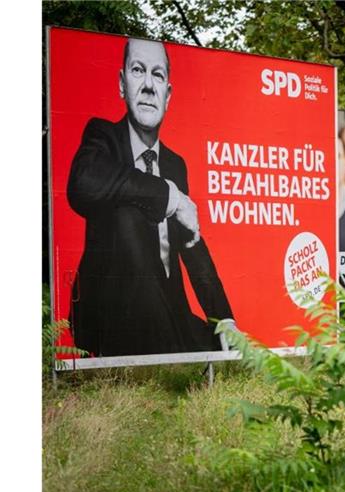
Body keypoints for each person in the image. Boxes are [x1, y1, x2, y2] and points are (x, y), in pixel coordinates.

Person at [67, 38, 234, 357]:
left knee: (223, 344)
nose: (147, 85)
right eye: (138, 70)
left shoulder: (174, 163)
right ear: (122, 83)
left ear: (168, 95)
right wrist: (169, 195)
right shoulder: (102, 136)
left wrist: (224, 317)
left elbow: (191, 244)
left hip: (166, 313)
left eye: (158, 75)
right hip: (111, 314)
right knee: (127, 213)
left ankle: (177, 346)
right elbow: (82, 184)